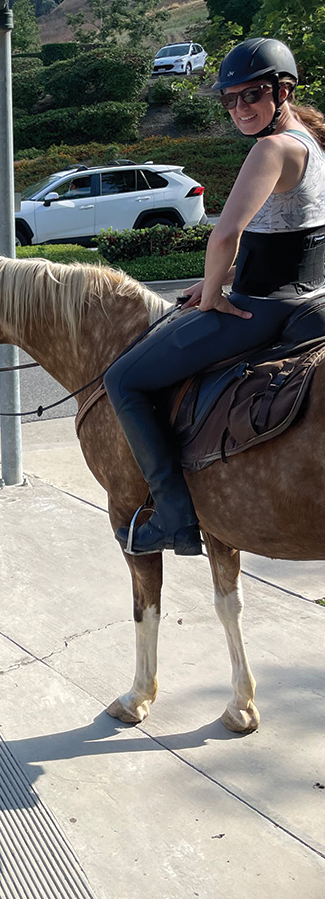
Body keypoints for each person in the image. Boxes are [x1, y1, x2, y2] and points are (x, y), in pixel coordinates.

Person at [104, 37, 325, 555]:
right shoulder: (311, 142)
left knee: (123, 380)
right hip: (313, 298)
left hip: (266, 308)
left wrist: (214, 298)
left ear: (282, 90)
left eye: (251, 95)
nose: (240, 108)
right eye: (229, 100)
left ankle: (175, 517)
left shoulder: (271, 149)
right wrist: (212, 281)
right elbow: (283, 234)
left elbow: (225, 234)